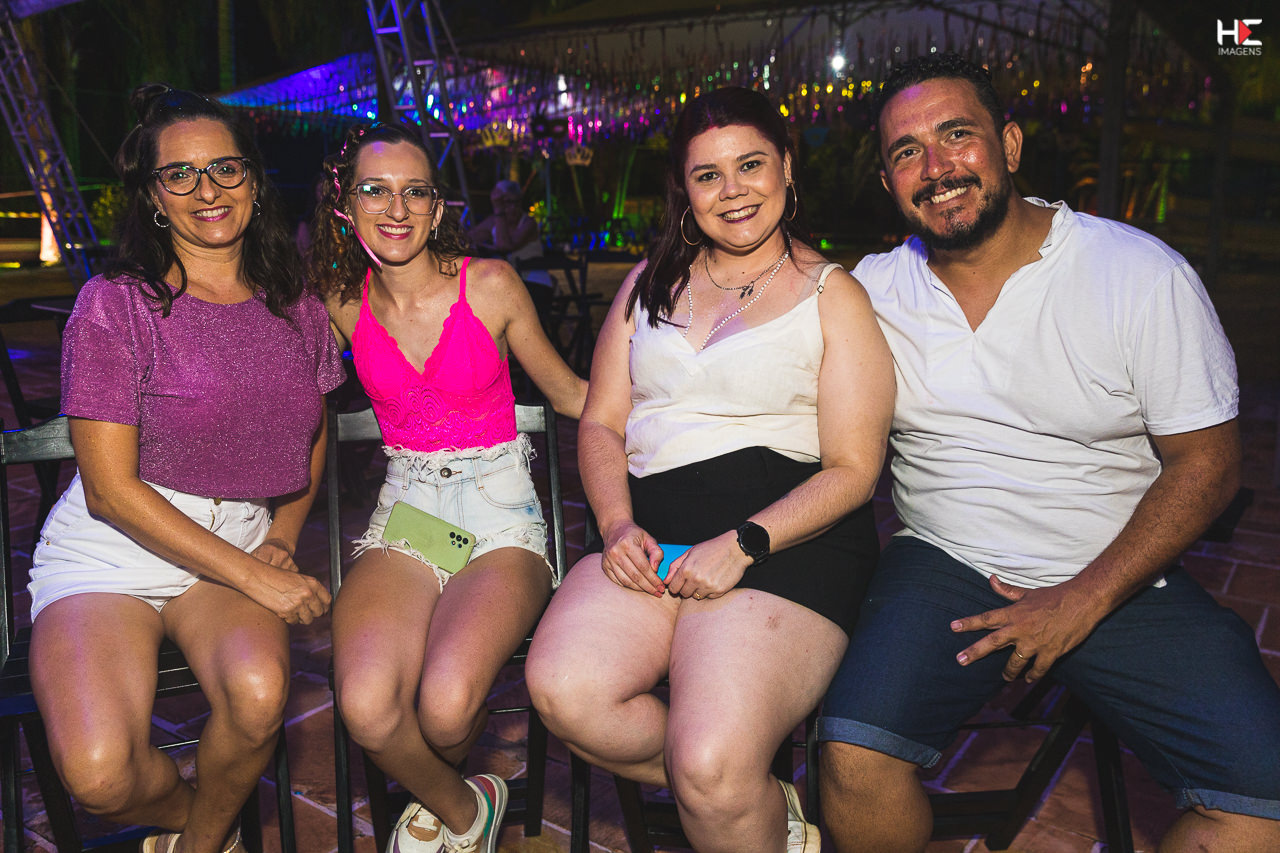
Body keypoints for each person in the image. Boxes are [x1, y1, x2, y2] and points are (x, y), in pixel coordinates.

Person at [817, 53, 1280, 852]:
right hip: (945, 559)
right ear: (889, 182)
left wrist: (1081, 598)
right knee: (852, 757)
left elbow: (1209, 464)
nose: (936, 167)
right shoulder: (872, 291)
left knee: (1262, 805)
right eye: (907, 151)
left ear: (1009, 144)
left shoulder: (1138, 274)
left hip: (1120, 566)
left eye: (956, 135)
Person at [525, 87, 895, 853]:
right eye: (708, 175)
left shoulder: (833, 295)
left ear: (786, 167)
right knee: (565, 692)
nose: (733, 191)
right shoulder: (646, 285)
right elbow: (600, 422)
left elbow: (856, 470)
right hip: (651, 530)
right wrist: (616, 524)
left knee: (708, 762)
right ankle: (747, 794)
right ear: (685, 191)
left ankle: (725, 784)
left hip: (784, 542)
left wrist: (744, 542)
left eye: (751, 165)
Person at [27, 85, 344, 853]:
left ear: (254, 182)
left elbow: (316, 427)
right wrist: (259, 576)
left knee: (260, 694)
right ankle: (198, 821)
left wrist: (282, 535)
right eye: (181, 174)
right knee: (100, 775)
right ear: (153, 197)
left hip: (236, 542)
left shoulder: (296, 305)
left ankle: (199, 845)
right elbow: (110, 491)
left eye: (225, 168)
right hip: (113, 549)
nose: (208, 190)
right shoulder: (117, 304)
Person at [307, 122, 586, 853]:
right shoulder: (340, 302)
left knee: (445, 708)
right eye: (375, 190)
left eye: (415, 192)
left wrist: (684, 406)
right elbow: (285, 399)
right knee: (367, 706)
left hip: (499, 516)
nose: (395, 208)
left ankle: (444, 803)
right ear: (346, 204)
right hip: (409, 512)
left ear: (436, 209)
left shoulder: (488, 284)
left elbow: (571, 395)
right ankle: (466, 808)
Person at [465, 180, 553, 312]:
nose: (513, 208)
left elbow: (505, 246)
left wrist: (499, 211)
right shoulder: (494, 222)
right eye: (507, 203)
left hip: (536, 286)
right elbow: (468, 238)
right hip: (510, 285)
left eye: (516, 202)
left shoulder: (528, 223)